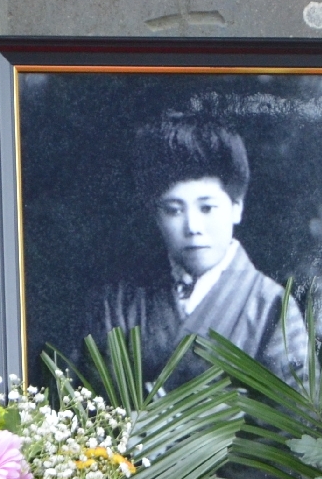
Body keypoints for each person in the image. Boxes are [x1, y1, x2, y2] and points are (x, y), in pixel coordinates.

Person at [95, 115, 308, 387]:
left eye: (207, 208)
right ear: (156, 215)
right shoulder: (120, 301)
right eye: (173, 210)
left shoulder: (271, 306)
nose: (193, 227)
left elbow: (293, 421)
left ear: (236, 207)